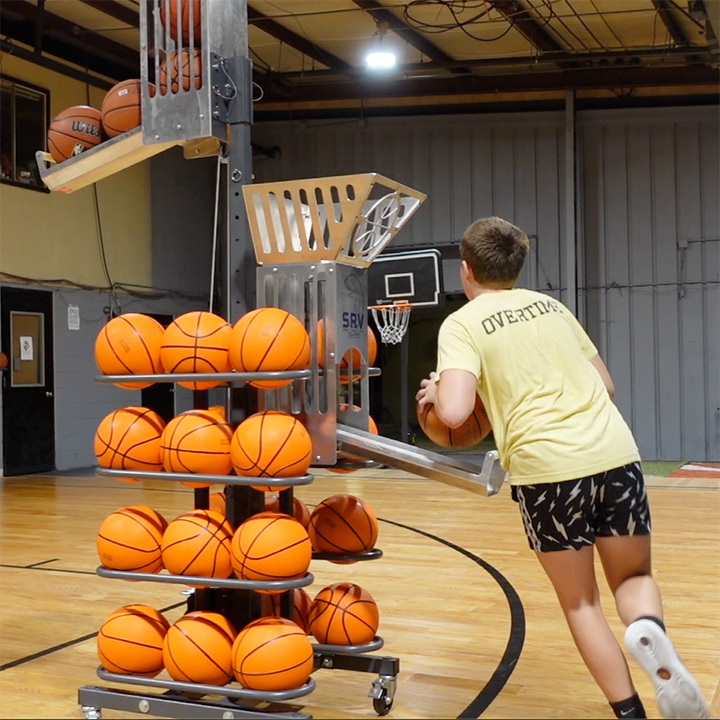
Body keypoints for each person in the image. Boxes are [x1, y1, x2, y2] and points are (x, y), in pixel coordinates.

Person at [416, 216, 708, 720]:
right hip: (615, 452)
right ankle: (649, 633)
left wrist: (436, 390)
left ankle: (631, 713)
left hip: (548, 469)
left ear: (465, 270)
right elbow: (607, 386)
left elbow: (456, 414)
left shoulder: (461, 324)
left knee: (582, 604)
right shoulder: (552, 307)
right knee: (633, 579)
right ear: (517, 264)